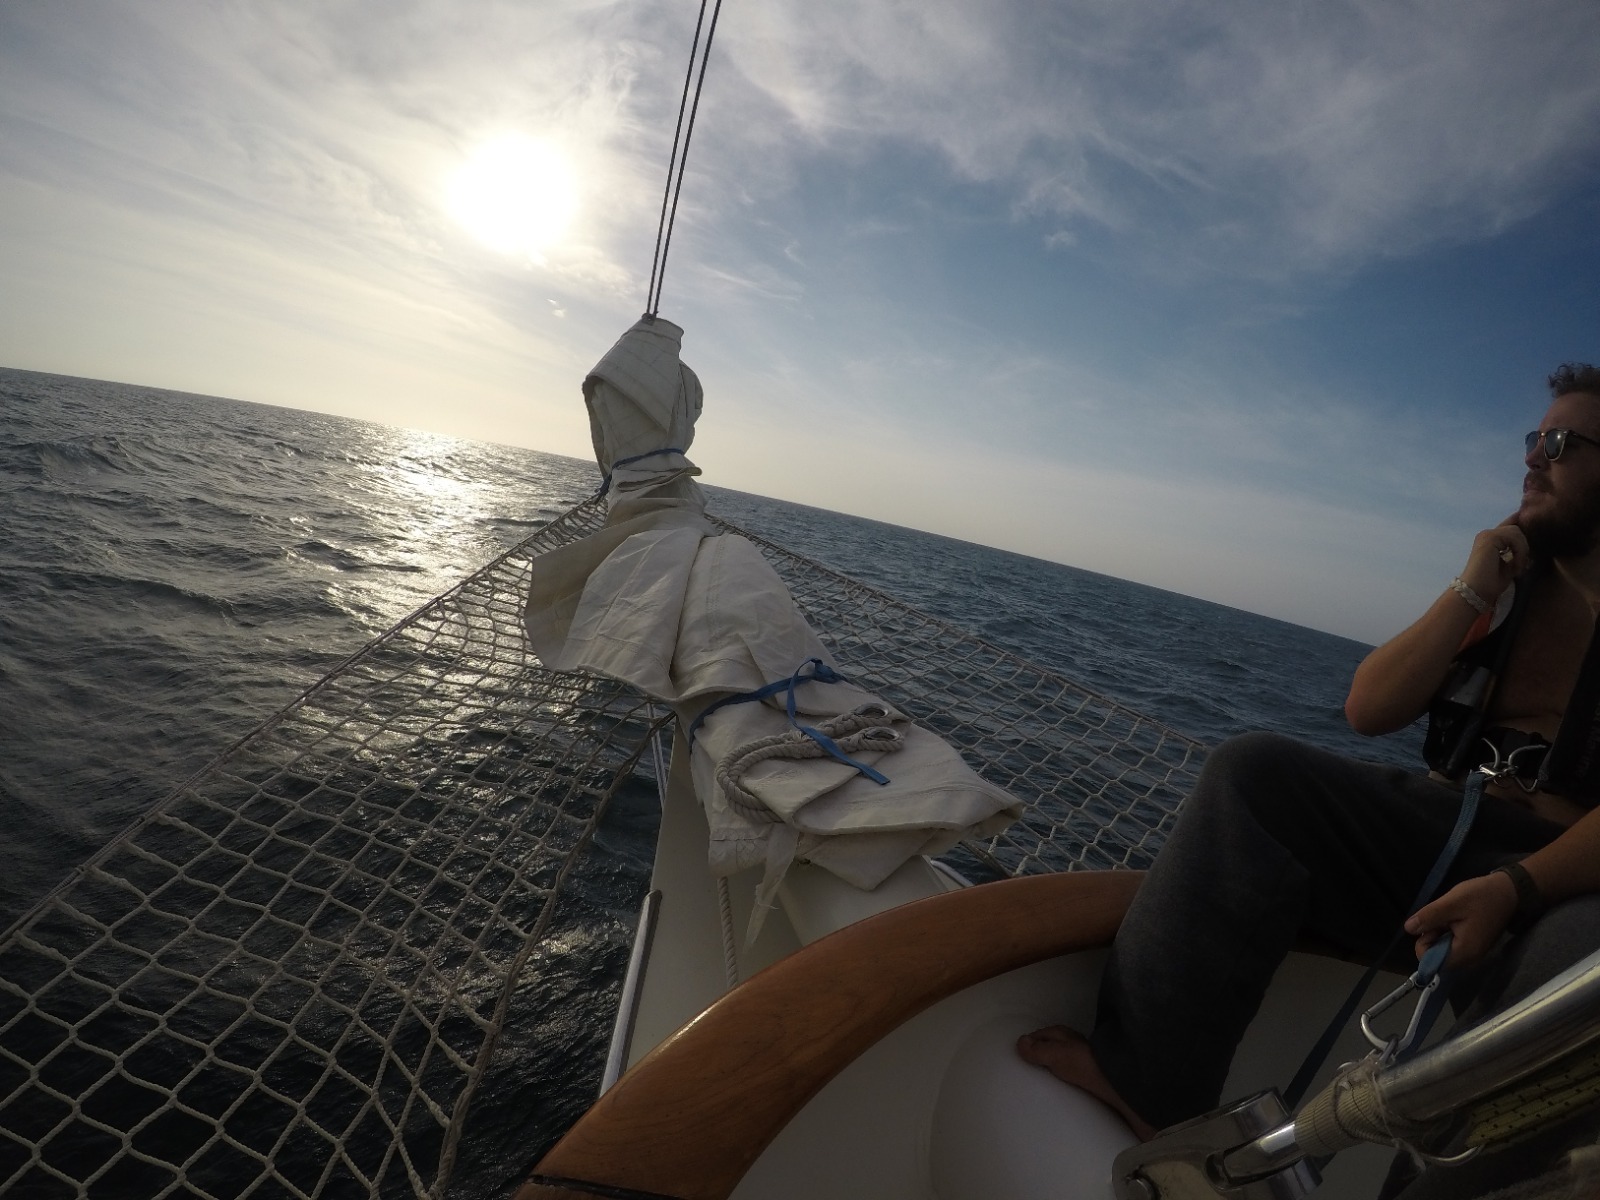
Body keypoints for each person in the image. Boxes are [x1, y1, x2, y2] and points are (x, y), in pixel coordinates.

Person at [1018, 363, 1600, 1197]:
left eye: (1560, 443)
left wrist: (1518, 886)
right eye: (1533, 439)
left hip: (1570, 875)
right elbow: (1369, 709)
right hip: (1453, 829)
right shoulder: (1509, 591)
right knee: (1253, 776)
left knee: (1579, 965)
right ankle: (1148, 1084)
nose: (1533, 458)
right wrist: (1473, 585)